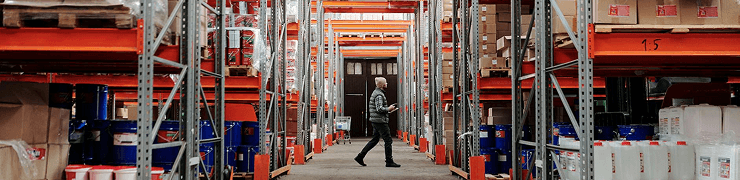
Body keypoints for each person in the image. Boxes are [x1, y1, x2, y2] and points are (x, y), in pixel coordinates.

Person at [354, 77, 401, 167]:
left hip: (376, 120)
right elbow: (379, 109)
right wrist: (389, 108)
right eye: (386, 83)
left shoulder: (377, 93)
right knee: (388, 140)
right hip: (380, 121)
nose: (387, 84)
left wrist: (389, 110)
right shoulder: (379, 95)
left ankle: (360, 156)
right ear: (382, 85)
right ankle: (389, 161)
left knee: (375, 140)